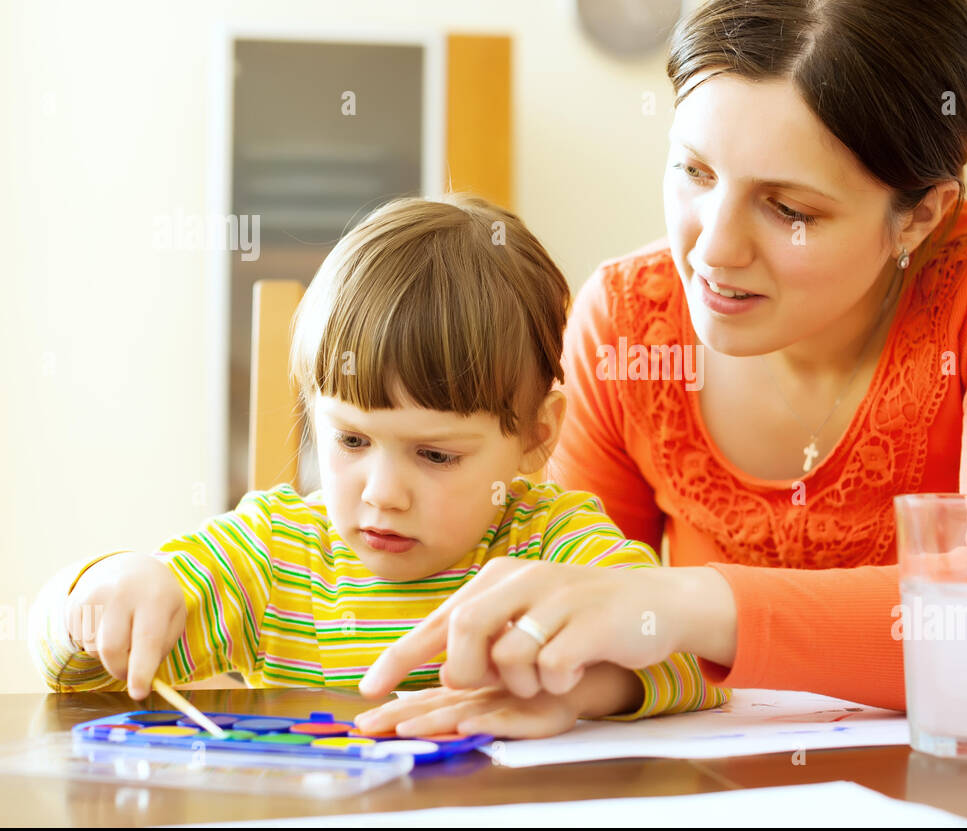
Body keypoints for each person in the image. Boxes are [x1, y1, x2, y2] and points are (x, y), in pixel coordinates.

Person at [360, 0, 967, 714]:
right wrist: (569, 683)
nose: (711, 250)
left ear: (921, 215)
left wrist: (694, 598)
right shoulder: (627, 325)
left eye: (788, 209)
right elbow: (598, 604)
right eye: (694, 172)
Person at [28, 195, 728, 739]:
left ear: (538, 435)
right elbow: (75, 673)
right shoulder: (272, 555)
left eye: (435, 454)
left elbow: (685, 659)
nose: (383, 495)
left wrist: (573, 687)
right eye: (352, 441)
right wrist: (98, 591)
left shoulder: (552, 543)